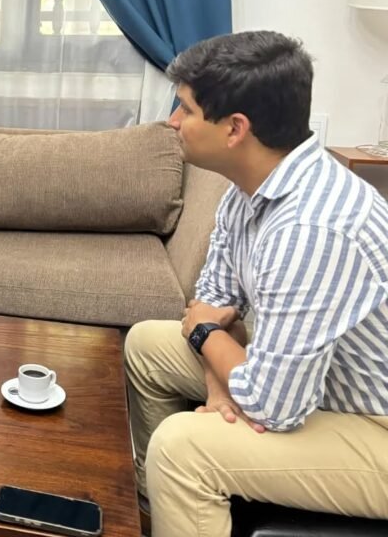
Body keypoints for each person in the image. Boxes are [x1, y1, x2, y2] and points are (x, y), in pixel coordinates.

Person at [124, 31, 388, 537]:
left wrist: (207, 335)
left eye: (186, 109)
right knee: (147, 344)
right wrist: (217, 387)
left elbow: (273, 403)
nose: (172, 122)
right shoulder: (249, 191)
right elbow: (211, 300)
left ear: (234, 128)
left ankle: (181, 484)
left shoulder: (311, 228)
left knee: (182, 448)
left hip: (372, 426)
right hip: (305, 383)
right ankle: (160, 512)